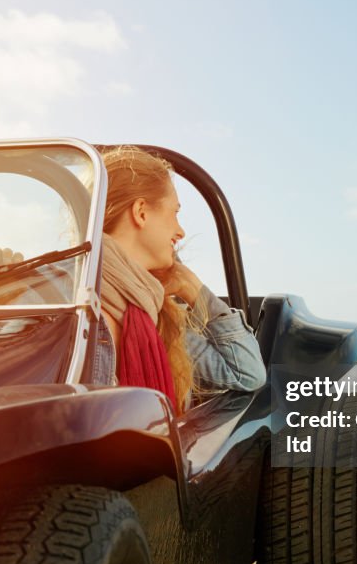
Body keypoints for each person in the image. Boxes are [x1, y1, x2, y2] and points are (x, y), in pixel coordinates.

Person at [98, 145, 266, 415]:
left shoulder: (156, 313)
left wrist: (193, 289)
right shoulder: (55, 295)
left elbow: (246, 373)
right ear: (141, 212)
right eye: (175, 212)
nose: (180, 231)